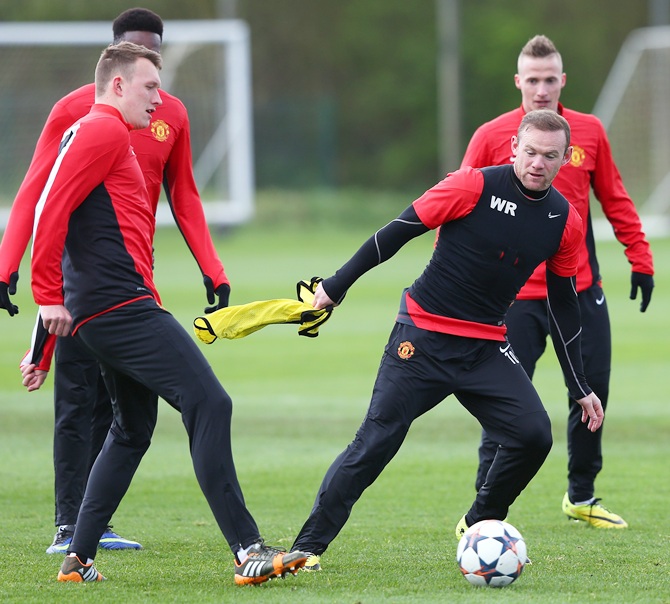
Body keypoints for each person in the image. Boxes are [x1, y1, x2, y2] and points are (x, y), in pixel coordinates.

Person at [22, 42, 307, 584]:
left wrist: (44, 339)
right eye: (151, 86)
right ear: (119, 85)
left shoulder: (100, 132)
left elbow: (68, 220)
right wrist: (45, 297)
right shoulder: (102, 129)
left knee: (131, 429)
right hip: (120, 306)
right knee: (210, 403)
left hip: (104, 309)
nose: (160, 98)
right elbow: (48, 206)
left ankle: (78, 559)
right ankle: (248, 549)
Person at [289, 109, 603, 570]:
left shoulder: (564, 220)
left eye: (550, 156)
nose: (538, 162)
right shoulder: (471, 185)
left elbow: (563, 305)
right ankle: (307, 548)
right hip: (423, 336)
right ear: (515, 148)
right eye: (531, 151)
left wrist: (579, 385)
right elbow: (396, 232)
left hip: (485, 347)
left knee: (533, 434)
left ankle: (480, 522)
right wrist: (337, 285)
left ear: (563, 161)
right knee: (375, 442)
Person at [1, 8, 232, 554]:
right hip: (81, 280)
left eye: (155, 52)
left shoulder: (169, 113)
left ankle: (90, 531)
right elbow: (40, 191)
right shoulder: (79, 114)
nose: (149, 65)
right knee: (76, 399)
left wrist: (212, 268)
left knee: (121, 412)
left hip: (133, 279)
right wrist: (10, 264)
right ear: (115, 58)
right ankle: (67, 526)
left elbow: (185, 194)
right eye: (136, 51)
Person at [461, 35, 654, 529]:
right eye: (533, 79)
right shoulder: (490, 135)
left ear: (562, 80)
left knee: (592, 392)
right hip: (512, 299)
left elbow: (615, 197)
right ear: (518, 82)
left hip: (580, 289)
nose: (542, 88)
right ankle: (484, 512)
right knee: (501, 401)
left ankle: (581, 496)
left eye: (550, 79)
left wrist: (640, 257)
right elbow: (460, 205)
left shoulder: (588, 132)